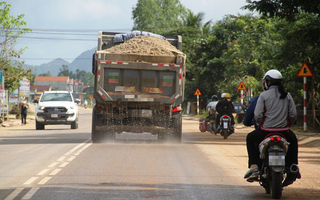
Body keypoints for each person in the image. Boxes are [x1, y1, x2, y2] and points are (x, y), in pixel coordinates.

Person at [244, 69, 300, 186]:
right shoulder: (287, 95)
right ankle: (293, 165)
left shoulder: (263, 95)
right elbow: (293, 114)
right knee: (293, 140)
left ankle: (254, 166)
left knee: (250, 138)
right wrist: (288, 124)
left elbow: (258, 115)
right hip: (284, 132)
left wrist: (260, 124)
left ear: (267, 82)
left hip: (265, 132)